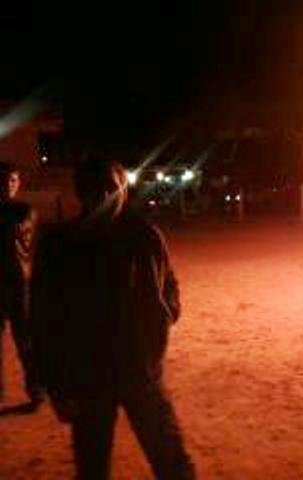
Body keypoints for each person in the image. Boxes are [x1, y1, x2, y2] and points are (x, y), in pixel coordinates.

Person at [32, 157, 196, 479]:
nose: (105, 195)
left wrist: (165, 316)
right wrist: (55, 384)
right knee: (93, 466)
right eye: (96, 188)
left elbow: (169, 285)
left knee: (172, 461)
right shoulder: (60, 246)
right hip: (88, 377)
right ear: (82, 192)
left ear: (122, 189)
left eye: (112, 187)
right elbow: (43, 319)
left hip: (141, 371)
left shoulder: (144, 236)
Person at [0, 161, 43, 409]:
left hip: (18, 283)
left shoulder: (24, 210)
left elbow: (14, 231)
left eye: (12, 180)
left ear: (18, 184)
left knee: (25, 340)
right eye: (4, 181)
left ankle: (36, 390)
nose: (8, 185)